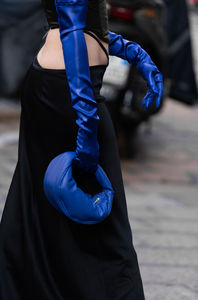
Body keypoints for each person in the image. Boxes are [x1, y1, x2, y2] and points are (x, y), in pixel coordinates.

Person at [0, 0, 163, 299]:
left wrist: (133, 51)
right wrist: (86, 121)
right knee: (100, 224)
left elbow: (82, 23)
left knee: (49, 214)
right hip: (68, 91)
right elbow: (72, 27)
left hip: (68, 85)